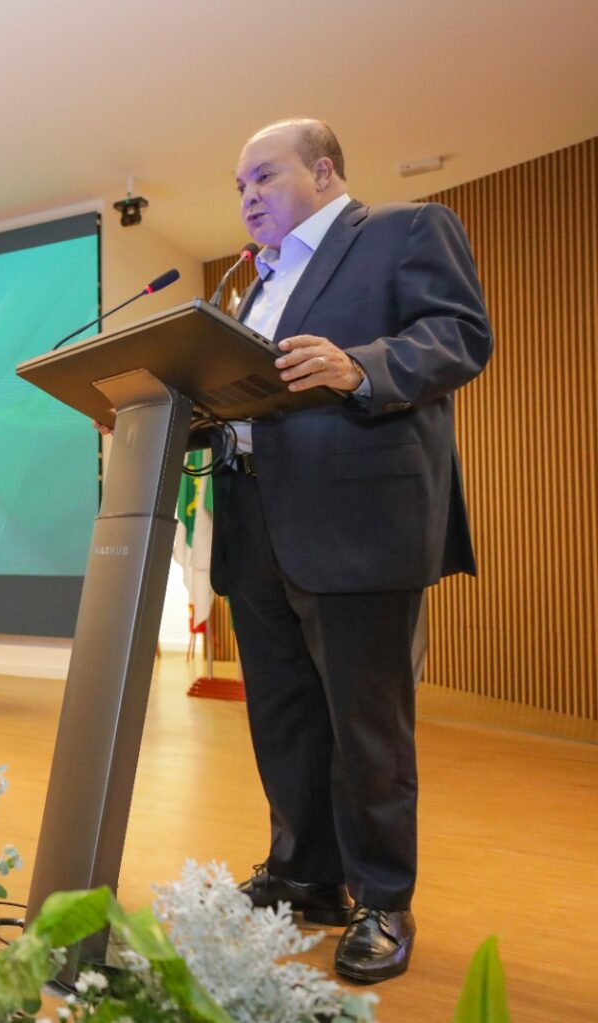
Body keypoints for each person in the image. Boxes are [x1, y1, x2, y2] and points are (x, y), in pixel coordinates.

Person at [214, 119, 492, 983]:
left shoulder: (405, 230)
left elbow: (460, 336)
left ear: (325, 170)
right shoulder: (250, 284)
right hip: (255, 516)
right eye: (239, 187)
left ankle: (382, 898)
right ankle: (306, 872)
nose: (248, 195)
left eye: (263, 175)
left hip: (356, 518)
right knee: (284, 713)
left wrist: (359, 366)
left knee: (366, 724)